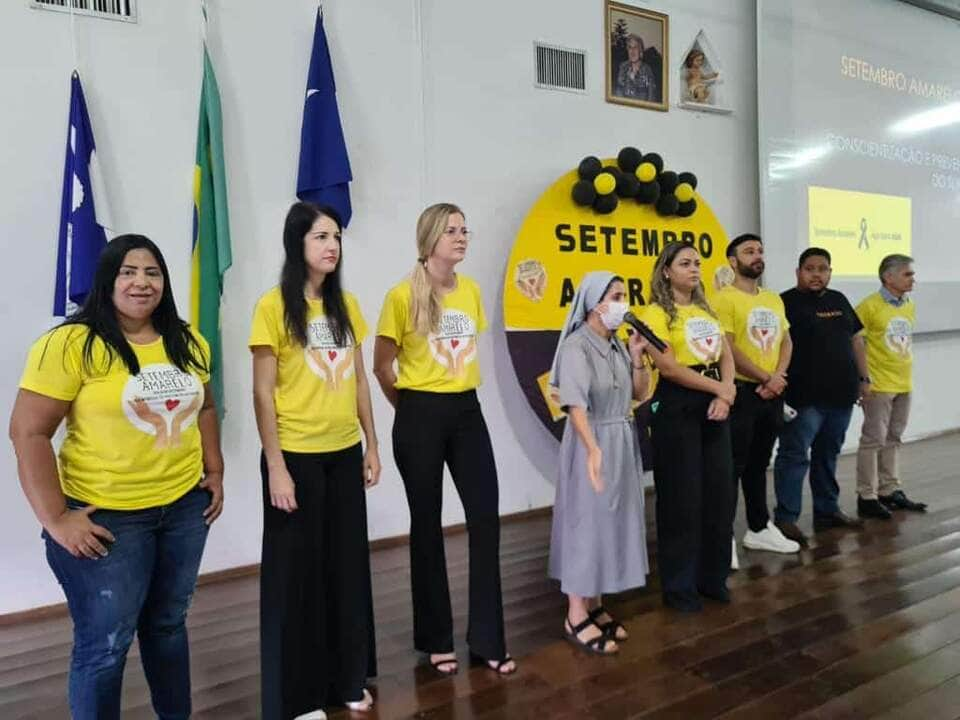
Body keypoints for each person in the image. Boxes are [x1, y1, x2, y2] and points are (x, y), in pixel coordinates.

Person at [9, 234, 224, 720]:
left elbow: (206, 405)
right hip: (108, 521)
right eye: (128, 271)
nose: (141, 282)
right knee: (105, 646)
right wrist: (57, 518)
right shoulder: (70, 343)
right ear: (106, 280)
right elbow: (27, 432)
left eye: (152, 272)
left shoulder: (187, 341)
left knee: (168, 624)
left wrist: (215, 469)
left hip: (184, 510)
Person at [373, 203, 515, 676]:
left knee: (485, 518)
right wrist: (411, 411)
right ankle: (435, 639)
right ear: (429, 238)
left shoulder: (470, 291)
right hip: (419, 414)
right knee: (427, 526)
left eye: (464, 230)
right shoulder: (400, 296)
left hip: (466, 411)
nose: (461, 237)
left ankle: (488, 638)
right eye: (451, 230)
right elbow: (382, 367)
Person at [250, 202, 380, 719]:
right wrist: (276, 466)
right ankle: (299, 697)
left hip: (343, 453)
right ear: (297, 244)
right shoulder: (272, 308)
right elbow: (262, 394)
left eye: (337, 236)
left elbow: (359, 380)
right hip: (296, 459)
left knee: (347, 571)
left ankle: (347, 680)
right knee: (295, 580)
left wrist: (371, 443)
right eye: (321, 236)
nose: (332, 246)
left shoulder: (345, 304)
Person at [548, 271, 650, 655]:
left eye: (625, 294)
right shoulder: (576, 347)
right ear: (594, 302)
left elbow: (639, 394)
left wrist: (638, 356)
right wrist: (592, 449)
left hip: (621, 438)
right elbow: (574, 404)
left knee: (613, 521)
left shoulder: (620, 345)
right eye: (616, 295)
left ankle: (596, 604)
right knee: (586, 523)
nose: (624, 303)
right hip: (592, 439)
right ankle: (575, 614)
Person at [642, 242, 736, 612]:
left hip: (715, 401)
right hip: (678, 404)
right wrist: (721, 389)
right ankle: (679, 587)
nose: (694, 268)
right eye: (685, 263)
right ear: (666, 270)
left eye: (697, 262)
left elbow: (726, 355)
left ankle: (712, 579)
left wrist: (725, 396)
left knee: (719, 494)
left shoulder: (704, 307)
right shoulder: (653, 313)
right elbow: (668, 367)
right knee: (682, 498)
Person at [713, 234, 800, 554]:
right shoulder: (723, 298)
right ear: (733, 261)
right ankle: (723, 538)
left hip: (772, 391)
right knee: (732, 466)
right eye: (749, 251)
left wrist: (777, 377)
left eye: (760, 250)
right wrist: (765, 377)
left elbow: (786, 341)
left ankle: (759, 527)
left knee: (759, 462)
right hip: (742, 391)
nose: (757, 256)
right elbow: (727, 347)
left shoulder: (774, 299)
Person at [773, 248, 866, 533]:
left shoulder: (839, 299)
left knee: (828, 454)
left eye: (823, 269)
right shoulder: (783, 302)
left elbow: (856, 341)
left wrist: (864, 378)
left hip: (841, 394)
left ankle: (827, 510)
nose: (817, 274)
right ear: (798, 272)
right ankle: (786, 518)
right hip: (803, 397)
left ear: (830, 272)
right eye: (810, 269)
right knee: (794, 455)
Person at [855, 254, 926, 516]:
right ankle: (867, 496)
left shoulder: (908, 305)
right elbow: (856, 343)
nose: (913, 279)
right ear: (889, 276)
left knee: (894, 437)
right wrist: (863, 379)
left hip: (903, 381)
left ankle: (889, 488)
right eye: (908, 274)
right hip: (879, 384)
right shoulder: (869, 306)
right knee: (873, 439)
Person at [615, 34, 659, 102]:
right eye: (630, 47)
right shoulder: (623, 68)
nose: (632, 51)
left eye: (635, 47)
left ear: (640, 51)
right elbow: (618, 93)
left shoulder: (647, 70)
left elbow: (652, 97)